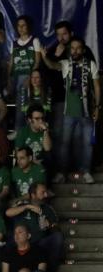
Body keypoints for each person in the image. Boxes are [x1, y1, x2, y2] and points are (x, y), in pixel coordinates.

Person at [41, 36, 100, 184]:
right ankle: (61, 172)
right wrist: (43, 55)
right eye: (72, 48)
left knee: (87, 144)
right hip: (68, 113)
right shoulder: (66, 64)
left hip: (86, 112)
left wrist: (98, 107)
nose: (74, 51)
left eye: (78, 48)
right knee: (64, 144)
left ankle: (86, 171)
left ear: (83, 49)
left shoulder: (90, 64)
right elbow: (52, 66)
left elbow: (97, 87)